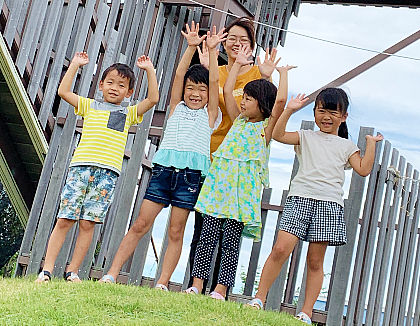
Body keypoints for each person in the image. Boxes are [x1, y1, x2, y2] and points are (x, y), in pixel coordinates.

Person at [99, 22, 225, 288]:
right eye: (191, 88)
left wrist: (213, 53)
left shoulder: (210, 115)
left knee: (176, 231)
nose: (195, 93)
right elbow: (179, 75)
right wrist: (191, 47)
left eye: (201, 90)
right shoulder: (175, 107)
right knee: (140, 224)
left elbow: (214, 81)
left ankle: (163, 282)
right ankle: (111, 273)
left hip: (190, 178)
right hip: (164, 171)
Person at [247, 88, 383, 324]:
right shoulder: (306, 136)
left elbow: (363, 169)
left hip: (329, 204)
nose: (326, 116)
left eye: (333, 112)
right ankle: (258, 299)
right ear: (315, 111)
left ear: (344, 116)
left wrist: (370, 144)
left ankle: (306, 313)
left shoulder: (347, 146)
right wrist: (290, 109)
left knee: (315, 261)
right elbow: (277, 134)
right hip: (300, 197)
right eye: (322, 110)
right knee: (280, 249)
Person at [35, 52, 159, 283]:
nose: (114, 88)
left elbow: (152, 99)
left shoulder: (128, 112)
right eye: (110, 83)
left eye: (121, 85)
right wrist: (75, 65)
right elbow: (63, 92)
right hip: (81, 168)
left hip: (107, 174)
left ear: (129, 93)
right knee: (65, 218)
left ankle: (72, 272)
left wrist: (150, 71)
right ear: (101, 85)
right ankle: (47, 270)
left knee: (88, 222)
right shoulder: (89, 105)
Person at [185, 45, 295, 300]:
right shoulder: (237, 121)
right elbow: (225, 91)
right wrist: (237, 64)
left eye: (248, 98)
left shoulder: (265, 130)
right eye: (243, 97)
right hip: (218, 189)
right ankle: (197, 285)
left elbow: (280, 101)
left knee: (231, 243)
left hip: (240, 196)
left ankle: (221, 290)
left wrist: (283, 74)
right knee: (206, 237)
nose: (242, 102)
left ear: (262, 104)